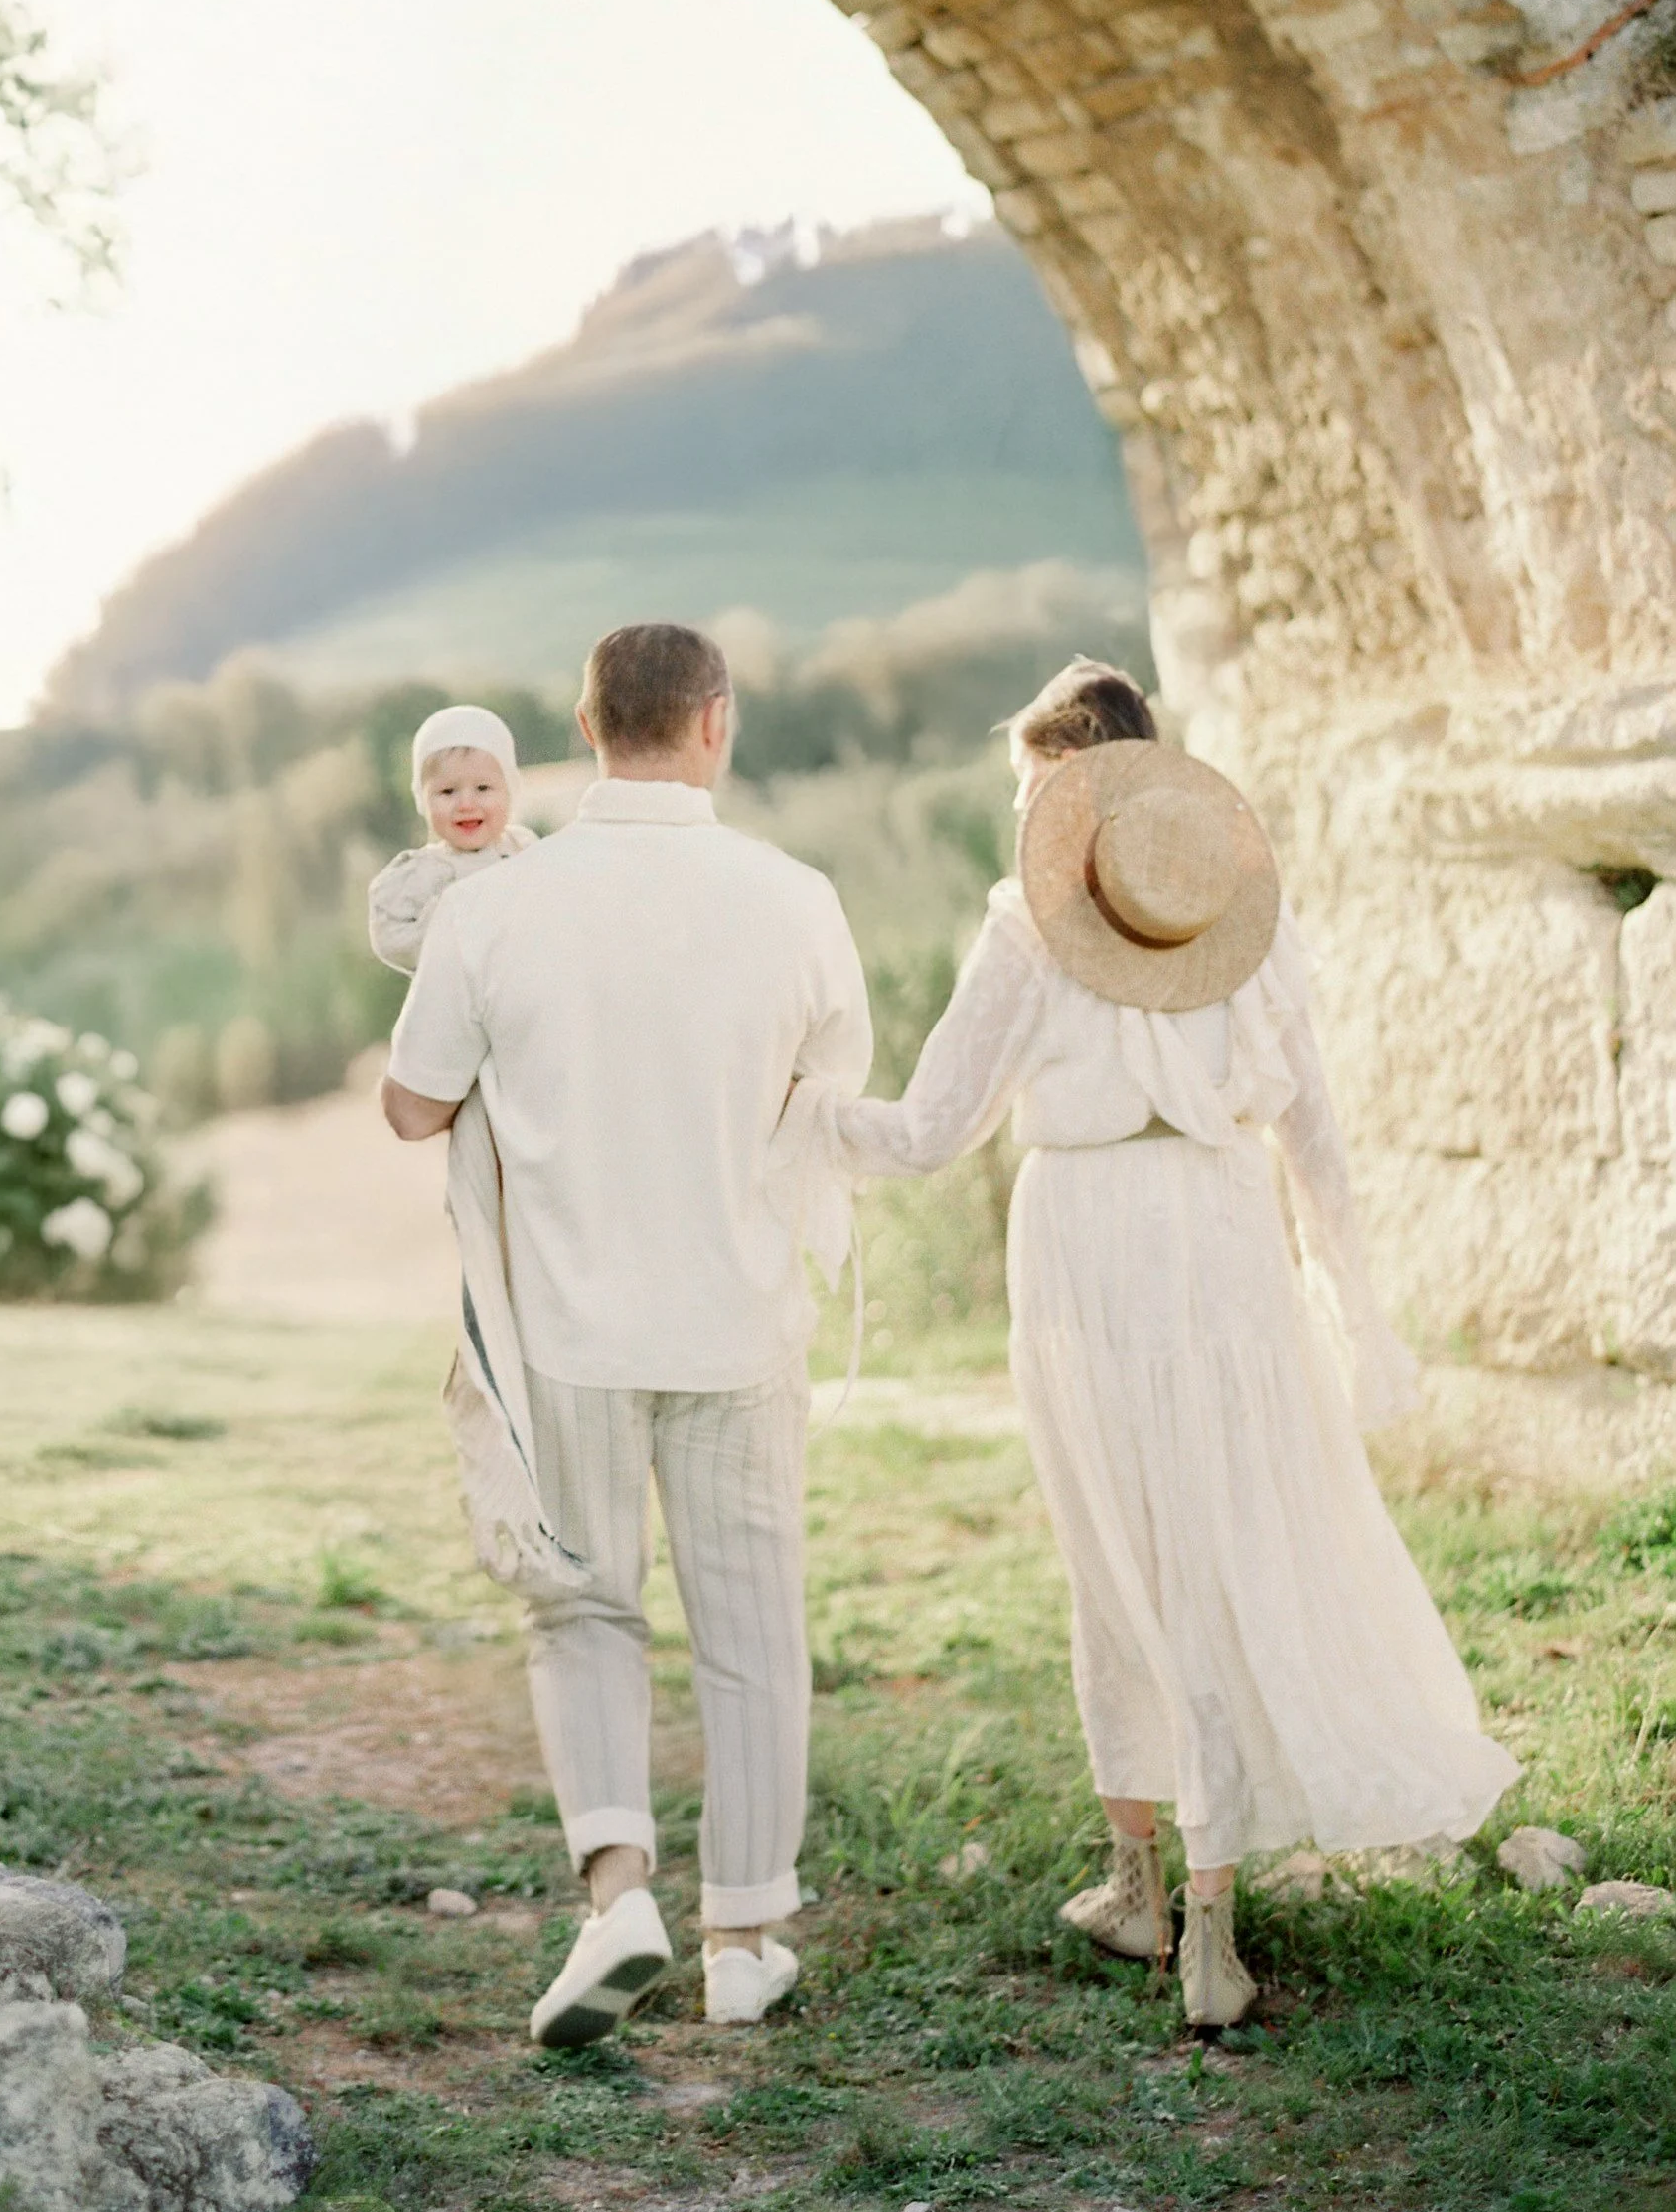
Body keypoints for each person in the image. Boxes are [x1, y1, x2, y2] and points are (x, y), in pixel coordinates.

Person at [835, 660, 1518, 2031]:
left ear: (1075, 788)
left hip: (1088, 1239)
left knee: (1120, 1553)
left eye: (1036, 787)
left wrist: (794, 1109)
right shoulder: (1240, 922)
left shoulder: (1028, 931)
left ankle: (1141, 1885)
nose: (1025, 812)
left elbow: (922, 1132)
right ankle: (1209, 1922)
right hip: (1221, 1237)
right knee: (1222, 1542)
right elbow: (1314, 1135)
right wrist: (1350, 1299)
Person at [382, 622, 873, 2041]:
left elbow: (416, 1102)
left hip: (568, 1328)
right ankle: (747, 1934)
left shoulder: (493, 908)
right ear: (711, 722)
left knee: (583, 1609)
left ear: (585, 729)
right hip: (736, 1318)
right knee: (751, 1629)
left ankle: (615, 1897)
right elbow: (827, 1091)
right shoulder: (796, 897)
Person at [366, 706, 537, 975]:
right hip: (459, 999)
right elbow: (390, 937)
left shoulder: (524, 848)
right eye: (447, 791)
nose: (466, 804)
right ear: (423, 799)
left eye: (482, 788)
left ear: (509, 790)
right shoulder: (421, 873)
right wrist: (443, 936)